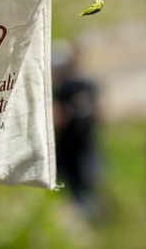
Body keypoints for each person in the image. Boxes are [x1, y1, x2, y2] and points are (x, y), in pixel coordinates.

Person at [52, 39, 105, 221]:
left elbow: (60, 118)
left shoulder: (64, 88)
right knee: (89, 185)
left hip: (70, 147)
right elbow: (100, 113)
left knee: (73, 190)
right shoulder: (88, 84)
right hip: (88, 143)